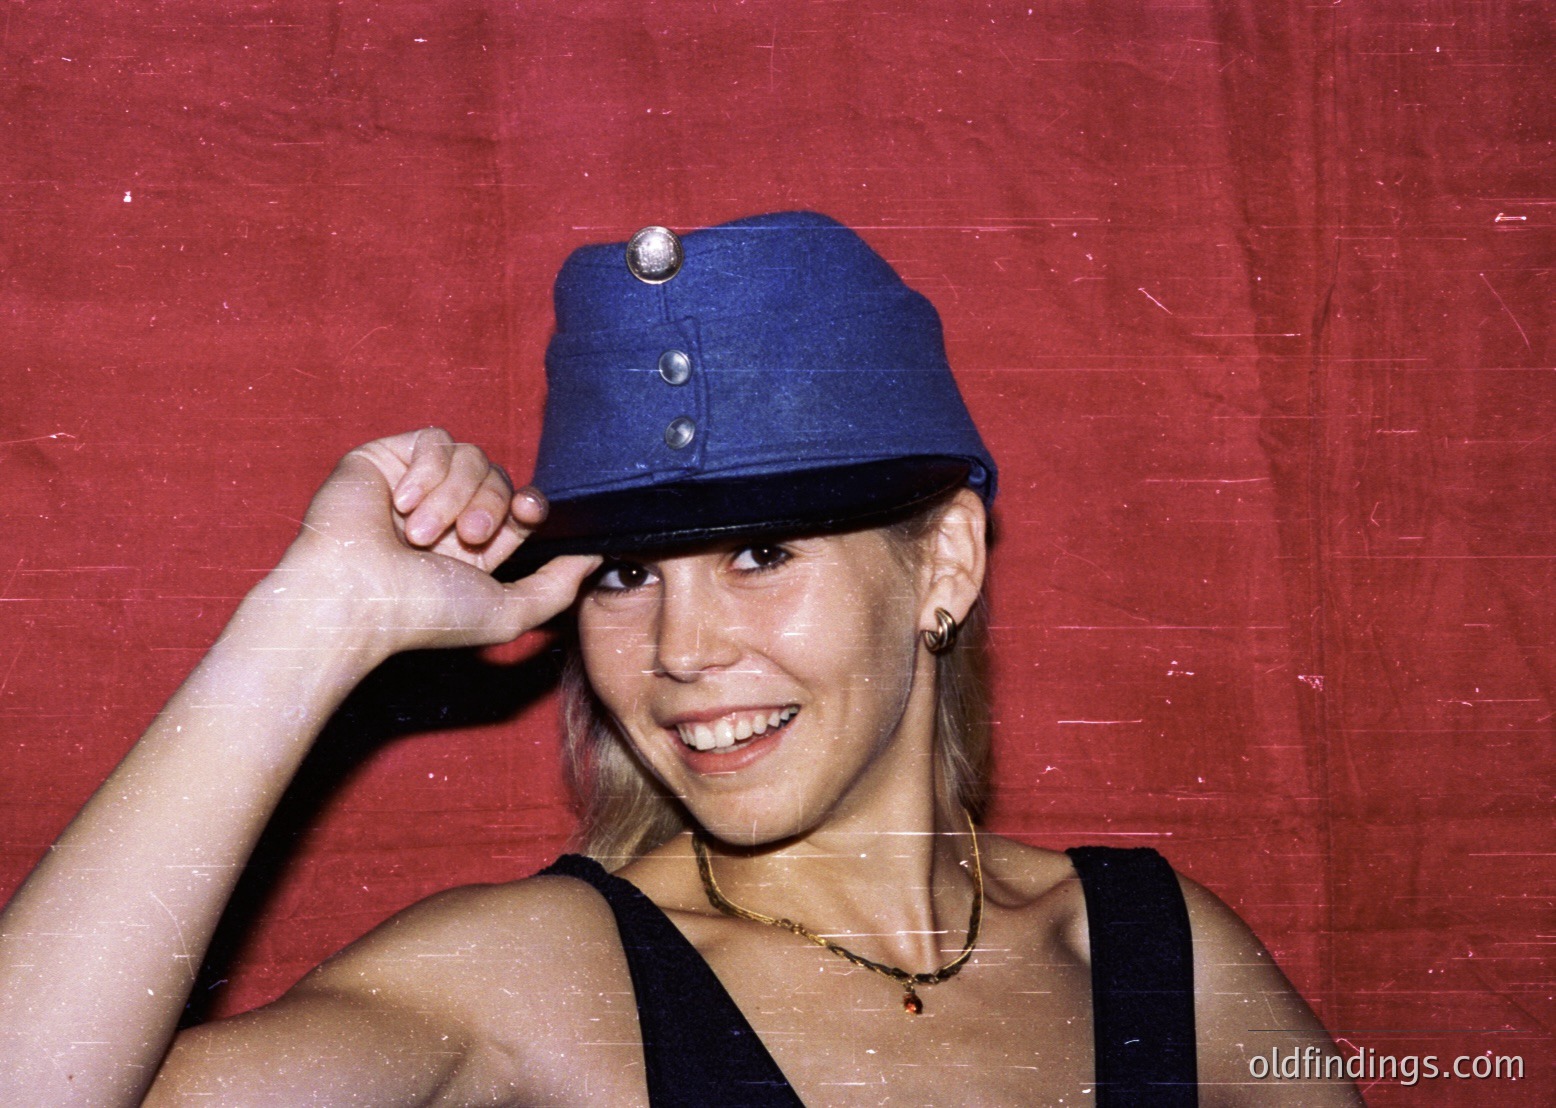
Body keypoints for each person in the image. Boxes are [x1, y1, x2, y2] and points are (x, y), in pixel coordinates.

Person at [0, 213, 1360, 1106]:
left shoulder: (1152, 952)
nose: (682, 651)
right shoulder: (541, 979)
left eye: (764, 554)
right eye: (628, 575)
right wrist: (308, 625)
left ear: (942, 565)